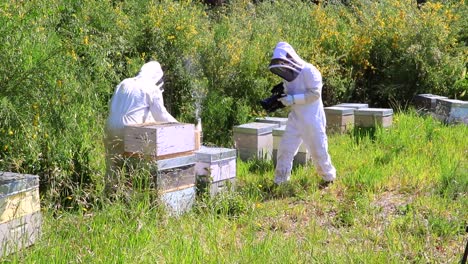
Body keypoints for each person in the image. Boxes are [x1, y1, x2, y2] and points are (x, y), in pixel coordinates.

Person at [268, 42, 336, 186]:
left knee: (318, 151)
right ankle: (280, 182)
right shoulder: (288, 76)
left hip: (312, 119)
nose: (283, 70)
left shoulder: (310, 71)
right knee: (285, 149)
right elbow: (289, 91)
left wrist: (292, 99)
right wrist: (279, 99)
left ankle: (329, 178)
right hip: (295, 119)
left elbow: (315, 94)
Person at [104, 61, 177, 191]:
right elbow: (161, 116)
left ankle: (108, 197)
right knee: (137, 166)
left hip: (109, 127)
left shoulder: (124, 82)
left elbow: (112, 106)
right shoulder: (151, 87)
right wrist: (181, 126)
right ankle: (135, 196)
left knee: (112, 166)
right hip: (129, 130)